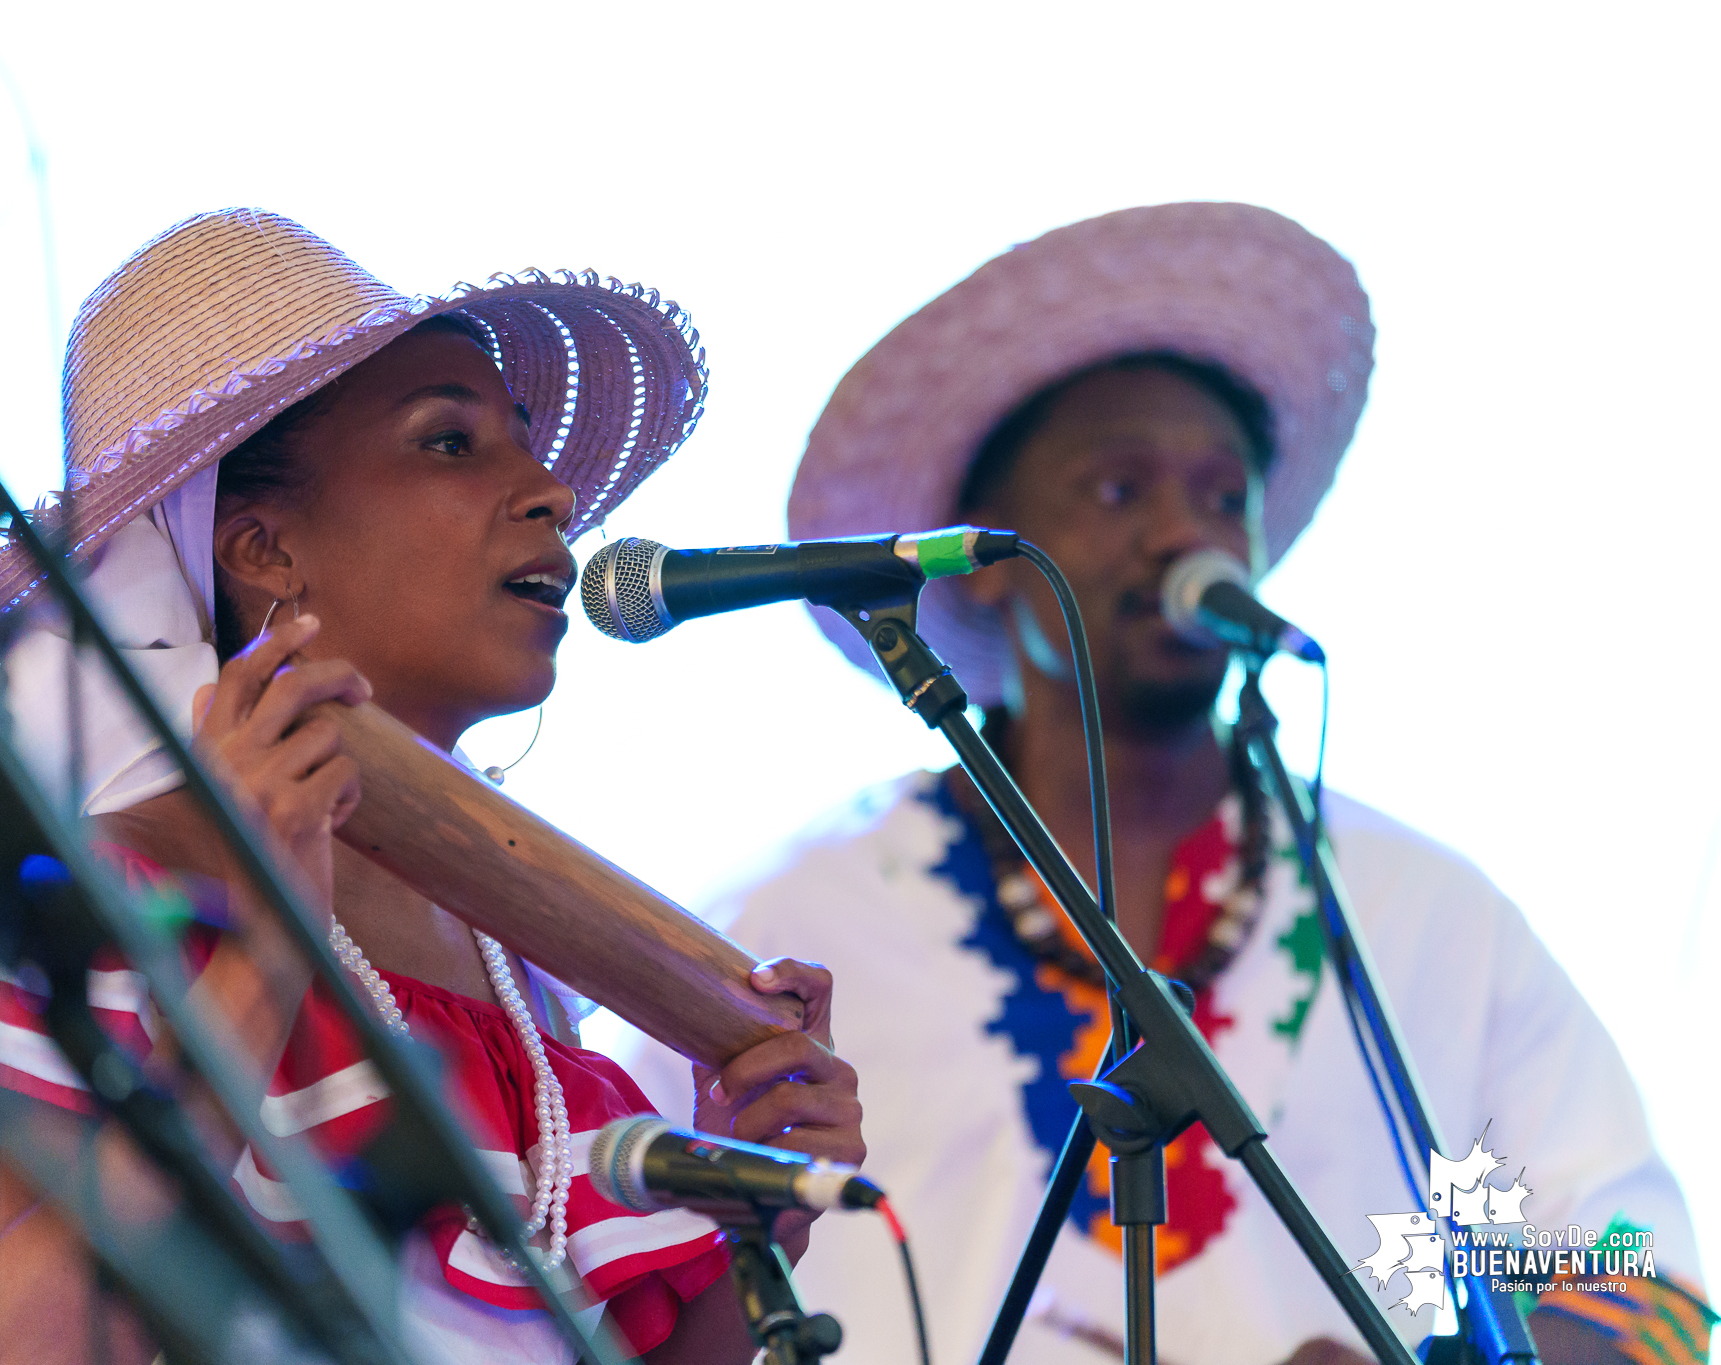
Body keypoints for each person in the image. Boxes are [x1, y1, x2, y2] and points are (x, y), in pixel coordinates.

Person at [608, 203, 1712, 1365]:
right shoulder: (791, 925)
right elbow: (602, 1291)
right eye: (1117, 490)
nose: (1184, 533)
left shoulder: (1429, 920)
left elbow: (1631, 1283)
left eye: (1222, 496)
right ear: (981, 561)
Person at [0, 209, 865, 1365]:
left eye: (523, 440)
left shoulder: (530, 976)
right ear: (262, 550)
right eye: (448, 442)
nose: (549, 491)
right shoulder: (107, 898)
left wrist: (757, 1220)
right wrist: (258, 954)